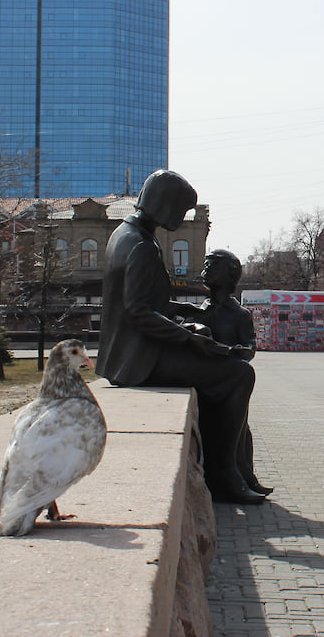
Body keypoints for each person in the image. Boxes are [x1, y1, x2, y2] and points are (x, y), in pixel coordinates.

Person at [97, 170, 265, 505]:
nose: (184, 217)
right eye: (181, 209)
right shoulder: (142, 245)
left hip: (126, 353)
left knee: (223, 369)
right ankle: (223, 475)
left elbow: (148, 302)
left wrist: (187, 319)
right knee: (238, 375)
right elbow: (138, 312)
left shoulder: (126, 234)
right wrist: (191, 340)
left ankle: (235, 468)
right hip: (138, 359)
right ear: (165, 203)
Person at [179, 249, 271, 496]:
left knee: (242, 430)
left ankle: (246, 477)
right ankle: (226, 480)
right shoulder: (198, 312)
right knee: (220, 428)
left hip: (230, 382)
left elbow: (250, 346)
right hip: (207, 381)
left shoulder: (240, 314)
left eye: (213, 266)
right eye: (205, 265)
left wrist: (238, 351)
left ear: (230, 275)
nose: (205, 270)